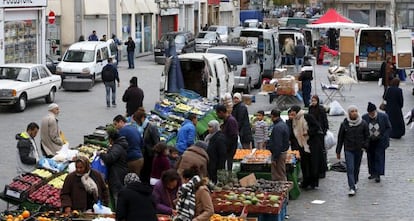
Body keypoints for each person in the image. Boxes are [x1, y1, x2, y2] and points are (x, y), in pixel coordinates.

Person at [336, 105, 369, 196]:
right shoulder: (344, 124)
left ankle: (355, 181)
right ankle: (351, 187)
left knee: (356, 167)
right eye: (352, 111)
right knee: (350, 168)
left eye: (355, 111)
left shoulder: (363, 123)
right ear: (349, 113)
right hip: (348, 149)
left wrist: (365, 146)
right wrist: (338, 151)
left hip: (359, 149)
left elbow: (367, 136)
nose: (354, 113)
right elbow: (340, 138)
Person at [290, 105, 325, 189]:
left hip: (312, 144)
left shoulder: (307, 116)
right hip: (302, 144)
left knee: (313, 164)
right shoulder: (295, 120)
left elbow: (316, 126)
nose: (291, 113)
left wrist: (308, 132)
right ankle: (305, 182)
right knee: (304, 165)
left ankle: (313, 183)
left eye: (292, 111)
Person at [99, 126, 129, 207]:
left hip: (117, 175)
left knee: (117, 197)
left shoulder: (117, 147)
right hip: (119, 173)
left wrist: (101, 154)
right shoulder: (118, 145)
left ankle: (119, 214)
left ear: (111, 139)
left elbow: (110, 158)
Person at [362, 102, 392, 183]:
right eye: (370, 113)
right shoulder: (364, 117)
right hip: (370, 141)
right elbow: (363, 130)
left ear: (375, 111)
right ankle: (372, 173)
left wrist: (384, 137)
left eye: (372, 113)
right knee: (370, 157)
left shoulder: (383, 116)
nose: (371, 114)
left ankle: (378, 174)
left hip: (380, 140)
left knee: (379, 157)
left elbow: (388, 127)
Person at [133, 108, 160, 185]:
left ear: (142, 118)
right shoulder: (141, 128)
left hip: (150, 156)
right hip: (143, 155)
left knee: (147, 174)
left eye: (137, 121)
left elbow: (157, 143)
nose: (137, 123)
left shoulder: (152, 127)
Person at [308, 95, 329, 178]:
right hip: (313, 133)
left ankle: (323, 169)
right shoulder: (310, 108)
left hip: (320, 132)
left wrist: (324, 130)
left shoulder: (321, 109)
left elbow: (324, 120)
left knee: (322, 150)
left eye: (314, 101)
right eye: (312, 100)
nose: (313, 102)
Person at [267, 109, 290, 181]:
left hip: (279, 154)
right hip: (282, 152)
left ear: (273, 116)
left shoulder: (277, 127)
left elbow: (278, 144)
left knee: (278, 175)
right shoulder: (283, 124)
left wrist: (275, 157)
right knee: (281, 172)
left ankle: (282, 190)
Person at [215, 104, 238, 171]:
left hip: (229, 149)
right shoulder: (226, 120)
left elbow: (233, 136)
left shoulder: (231, 121)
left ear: (221, 112)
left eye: (217, 114)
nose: (217, 116)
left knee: (228, 164)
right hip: (227, 149)